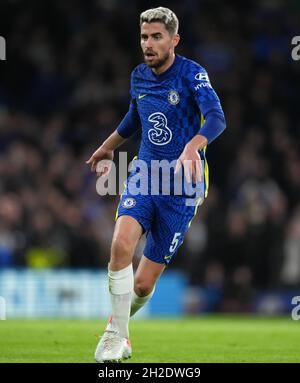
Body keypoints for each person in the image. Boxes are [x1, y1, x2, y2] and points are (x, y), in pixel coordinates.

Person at [86, 6, 226, 363]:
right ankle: (118, 337)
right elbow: (136, 115)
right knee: (120, 245)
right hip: (145, 175)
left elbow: (216, 117)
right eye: (144, 37)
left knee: (144, 285)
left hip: (183, 189)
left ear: (173, 40)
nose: (148, 44)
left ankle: (115, 329)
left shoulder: (193, 75)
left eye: (156, 37)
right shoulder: (139, 76)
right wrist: (107, 146)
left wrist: (195, 144)